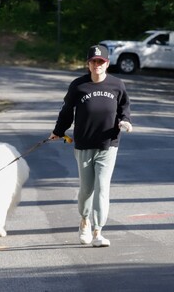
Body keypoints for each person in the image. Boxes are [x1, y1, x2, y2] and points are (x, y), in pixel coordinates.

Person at [49, 44, 132, 247]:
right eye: (93, 61)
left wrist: (125, 121)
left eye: (101, 62)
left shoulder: (117, 85)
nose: (97, 65)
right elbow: (67, 111)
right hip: (84, 144)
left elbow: (124, 107)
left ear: (107, 64)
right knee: (86, 189)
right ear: (88, 64)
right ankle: (84, 221)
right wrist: (58, 131)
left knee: (102, 188)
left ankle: (98, 232)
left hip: (108, 144)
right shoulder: (78, 86)